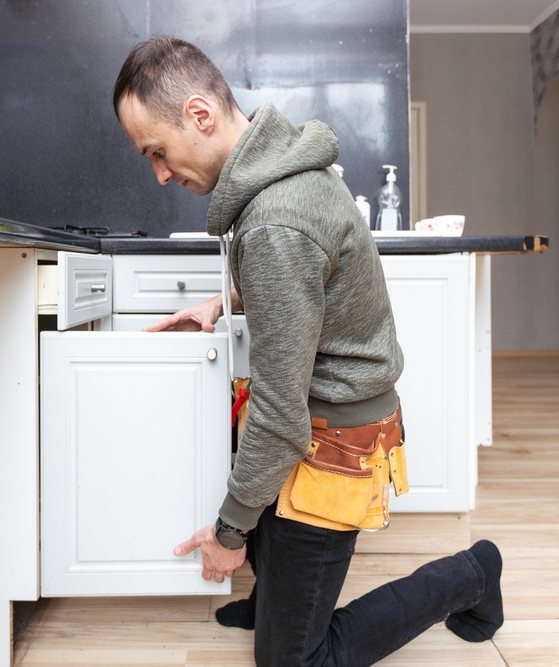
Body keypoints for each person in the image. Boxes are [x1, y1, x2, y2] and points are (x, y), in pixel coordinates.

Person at [112, 35, 504, 666]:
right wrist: (228, 302)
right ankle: (279, 599)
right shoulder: (280, 178)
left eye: (156, 151)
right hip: (321, 417)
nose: (158, 172)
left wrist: (228, 531)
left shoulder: (274, 219)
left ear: (200, 116)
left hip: (331, 444)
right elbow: (305, 280)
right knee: (262, 479)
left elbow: (279, 418)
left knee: (293, 662)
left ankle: (472, 574)